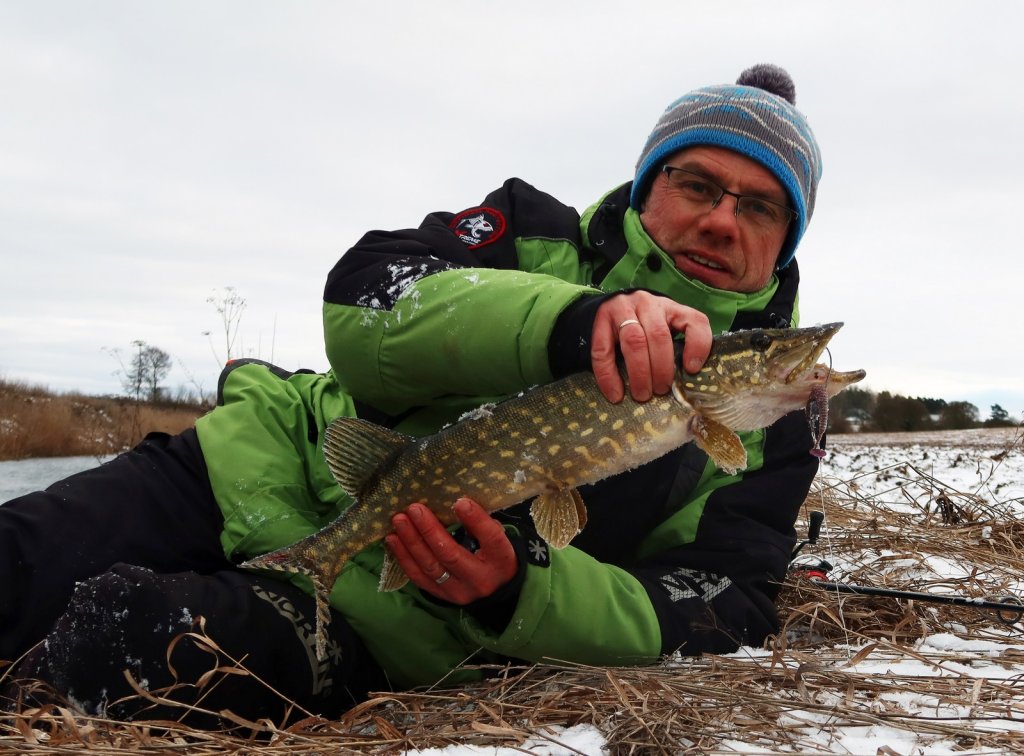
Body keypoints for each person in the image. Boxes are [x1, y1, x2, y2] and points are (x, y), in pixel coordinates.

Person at [1, 63, 822, 725]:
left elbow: (727, 601)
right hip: (252, 464)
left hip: (394, 617)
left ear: (787, 240)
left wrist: (521, 593)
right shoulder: (528, 232)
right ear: (647, 184)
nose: (722, 221)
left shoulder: (774, 429)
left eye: (760, 206)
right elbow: (363, 298)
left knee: (123, 646)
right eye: (698, 184)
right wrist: (571, 322)